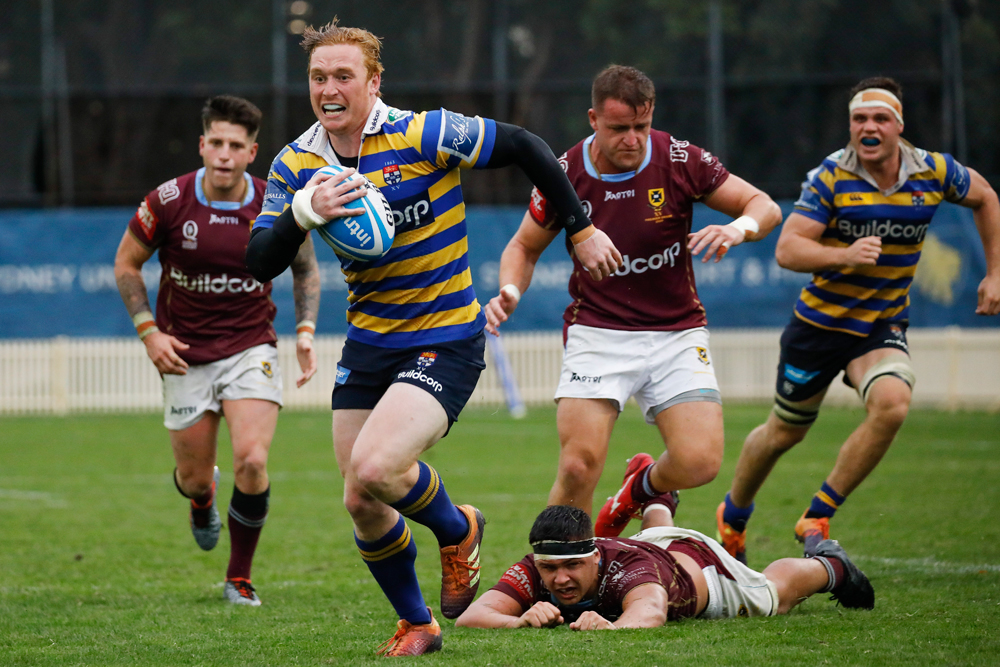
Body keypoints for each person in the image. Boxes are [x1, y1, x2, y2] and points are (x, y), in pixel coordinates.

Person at [244, 19, 621, 657]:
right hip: (369, 341)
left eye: (343, 76)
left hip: (444, 336)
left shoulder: (424, 133)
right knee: (360, 498)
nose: (329, 89)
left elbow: (527, 146)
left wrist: (580, 227)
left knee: (376, 466)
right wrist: (302, 213)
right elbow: (259, 261)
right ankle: (418, 623)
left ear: (374, 82)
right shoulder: (296, 164)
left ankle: (456, 528)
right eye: (318, 77)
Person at [482, 65, 783, 534]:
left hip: (677, 331)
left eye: (642, 126)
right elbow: (523, 247)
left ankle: (637, 491)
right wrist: (511, 290)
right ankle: (556, 566)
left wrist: (737, 229)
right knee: (578, 467)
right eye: (619, 128)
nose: (633, 139)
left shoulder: (679, 159)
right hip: (597, 332)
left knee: (700, 462)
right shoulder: (565, 172)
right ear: (593, 120)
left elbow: (765, 206)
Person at [716, 76, 1000, 564]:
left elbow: (986, 196)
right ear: (850, 126)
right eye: (859, 119)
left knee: (893, 403)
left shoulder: (932, 170)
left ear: (899, 126)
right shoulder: (830, 177)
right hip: (819, 327)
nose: (869, 127)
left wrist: (994, 272)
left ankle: (817, 516)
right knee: (784, 432)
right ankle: (734, 513)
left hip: (879, 325)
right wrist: (844, 255)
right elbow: (788, 249)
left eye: (880, 119)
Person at [114, 96, 321, 606]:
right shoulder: (167, 201)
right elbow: (126, 264)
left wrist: (306, 331)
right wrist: (149, 332)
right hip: (183, 353)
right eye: (217, 143)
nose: (225, 154)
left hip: (251, 345)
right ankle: (201, 496)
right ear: (202, 145)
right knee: (191, 478)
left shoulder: (275, 202)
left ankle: (239, 577)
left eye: (236, 145)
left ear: (252, 152)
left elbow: (305, 270)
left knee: (252, 460)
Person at [455, 500, 873, 631]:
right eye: (549, 569)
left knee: (773, 595)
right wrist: (518, 620)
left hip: (700, 568)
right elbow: (471, 617)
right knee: (651, 537)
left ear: (594, 557)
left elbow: (651, 611)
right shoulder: (539, 564)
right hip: (651, 544)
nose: (559, 579)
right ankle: (656, 498)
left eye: (573, 566)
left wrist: (613, 628)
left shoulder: (628, 570)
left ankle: (831, 564)